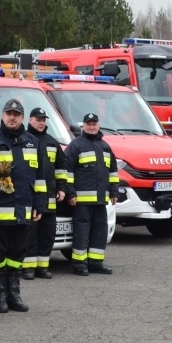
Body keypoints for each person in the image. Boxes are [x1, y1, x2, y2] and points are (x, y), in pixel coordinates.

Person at [0, 99, 46, 313]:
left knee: (17, 254)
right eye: (9, 113)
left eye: (16, 114)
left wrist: (40, 204)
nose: (12, 117)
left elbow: (40, 177)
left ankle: (14, 294)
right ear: (2, 115)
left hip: (23, 212)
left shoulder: (33, 142)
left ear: (22, 118)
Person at [65, 113, 119, 275]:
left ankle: (96, 262)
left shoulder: (105, 146)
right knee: (81, 233)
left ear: (98, 126)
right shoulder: (75, 145)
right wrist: (70, 194)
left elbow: (113, 172)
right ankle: (79, 264)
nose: (91, 127)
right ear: (83, 126)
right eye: (88, 124)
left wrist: (114, 192)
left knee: (99, 232)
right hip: (81, 202)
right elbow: (67, 172)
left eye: (94, 124)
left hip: (101, 200)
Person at [22, 107, 70, 280]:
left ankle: (43, 267)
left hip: (49, 198)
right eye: (38, 119)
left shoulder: (51, 142)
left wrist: (62, 188)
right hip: (31, 198)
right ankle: (28, 268)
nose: (41, 123)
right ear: (30, 120)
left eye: (43, 120)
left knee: (47, 234)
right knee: (30, 235)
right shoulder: (23, 140)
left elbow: (61, 166)